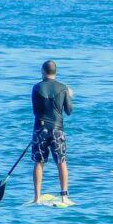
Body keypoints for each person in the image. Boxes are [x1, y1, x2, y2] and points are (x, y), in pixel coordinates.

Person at [30, 60, 73, 204]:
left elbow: (36, 111)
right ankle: (64, 197)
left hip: (40, 129)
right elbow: (69, 111)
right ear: (56, 72)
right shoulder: (63, 88)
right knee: (61, 162)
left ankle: (36, 198)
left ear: (42, 71)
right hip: (57, 130)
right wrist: (69, 95)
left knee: (38, 162)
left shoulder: (36, 88)